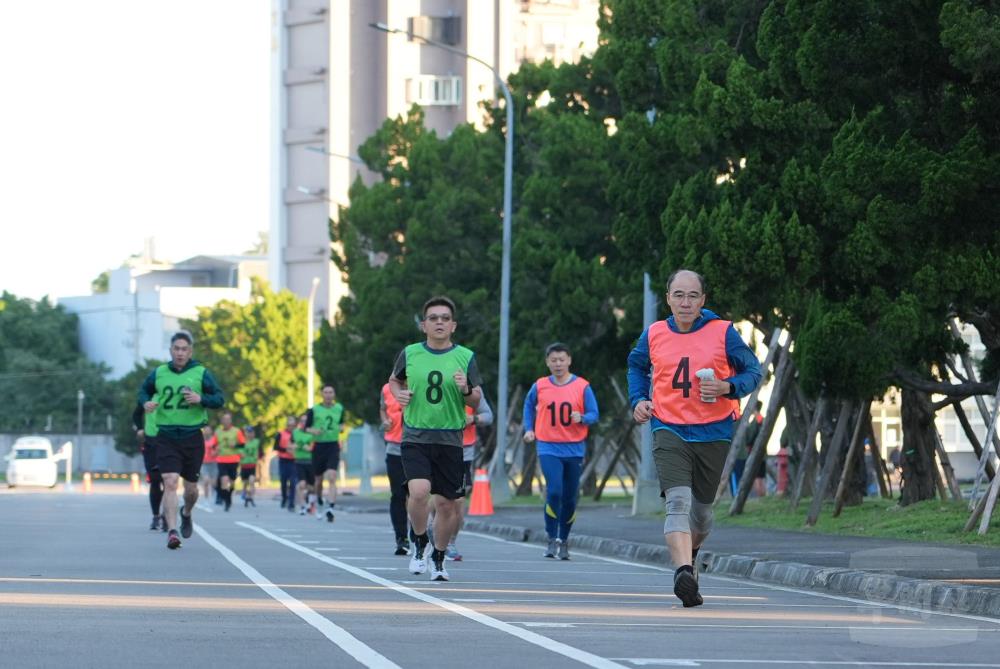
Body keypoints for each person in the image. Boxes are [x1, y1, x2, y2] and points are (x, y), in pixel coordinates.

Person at [627, 270, 761, 607]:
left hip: (713, 430)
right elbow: (636, 367)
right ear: (668, 297)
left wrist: (727, 387)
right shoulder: (654, 333)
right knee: (678, 501)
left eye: (692, 296)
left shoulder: (723, 332)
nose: (685, 302)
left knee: (701, 513)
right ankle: (683, 572)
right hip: (668, 426)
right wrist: (639, 400)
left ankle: (693, 552)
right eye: (678, 295)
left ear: (702, 300)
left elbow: (753, 371)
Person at [389, 295, 484, 582]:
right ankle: (419, 542)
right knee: (418, 492)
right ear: (423, 325)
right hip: (416, 435)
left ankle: (439, 557)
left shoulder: (465, 357)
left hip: (450, 439)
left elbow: (477, 400)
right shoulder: (410, 353)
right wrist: (398, 394)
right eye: (433, 318)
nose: (439, 322)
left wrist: (465, 388)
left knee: (446, 505)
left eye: (445, 318)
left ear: (453, 325)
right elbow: (394, 380)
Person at [138, 331, 225, 550]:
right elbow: (143, 391)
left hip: (192, 436)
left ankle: (186, 512)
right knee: (169, 481)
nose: (180, 353)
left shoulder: (200, 372)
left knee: (191, 489)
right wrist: (145, 402)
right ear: (170, 350)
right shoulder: (159, 372)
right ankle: (172, 531)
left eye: (184, 349)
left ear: (190, 351)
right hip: (166, 435)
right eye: (176, 349)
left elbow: (219, 399)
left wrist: (201, 399)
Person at [523, 342, 599, 561]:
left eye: (561, 360)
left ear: (569, 361)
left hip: (574, 448)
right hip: (548, 446)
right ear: (547, 362)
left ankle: (563, 540)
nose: (558, 364)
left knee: (570, 498)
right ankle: (550, 536)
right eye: (553, 360)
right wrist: (529, 429)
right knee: (554, 491)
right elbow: (528, 406)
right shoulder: (540, 385)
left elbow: (594, 413)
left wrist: (583, 418)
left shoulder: (582, 386)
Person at [446, 395, 494, 561]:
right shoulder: (433, 380)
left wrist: (473, 419)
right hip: (436, 446)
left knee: (458, 501)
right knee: (437, 498)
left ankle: (450, 542)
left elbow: (488, 416)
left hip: (463, 451)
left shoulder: (472, 390)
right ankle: (430, 527)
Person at [306, 384, 344, 523]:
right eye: (326, 392)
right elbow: (307, 428)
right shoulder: (314, 410)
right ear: (322, 394)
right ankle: (320, 503)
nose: (328, 395)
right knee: (318, 481)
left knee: (332, 476)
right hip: (318, 447)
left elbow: (341, 424)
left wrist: (341, 428)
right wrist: (313, 431)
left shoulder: (339, 408)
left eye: (331, 392)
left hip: (333, 445)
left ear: (334, 394)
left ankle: (331, 507)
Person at [380, 382, 410, 556]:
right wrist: (385, 420)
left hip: (419, 445)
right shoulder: (386, 389)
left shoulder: (422, 382)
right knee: (398, 494)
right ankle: (401, 538)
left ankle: (421, 534)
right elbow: (382, 408)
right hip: (394, 446)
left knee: (418, 494)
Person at [133, 401, 165, 532]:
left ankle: (167, 515)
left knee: (169, 480)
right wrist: (140, 428)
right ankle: (156, 516)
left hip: (169, 440)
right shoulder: (148, 394)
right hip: (151, 442)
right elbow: (136, 414)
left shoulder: (172, 392)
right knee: (155, 481)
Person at [214, 411, 245, 512]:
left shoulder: (236, 431)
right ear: (222, 421)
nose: (226, 421)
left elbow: (243, 444)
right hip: (221, 459)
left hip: (233, 459)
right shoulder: (218, 432)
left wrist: (235, 446)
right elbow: (214, 445)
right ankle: (226, 501)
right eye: (224, 419)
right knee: (224, 481)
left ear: (230, 421)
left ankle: (229, 497)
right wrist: (216, 449)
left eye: (228, 419)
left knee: (232, 482)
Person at [291, 414, 316, 515]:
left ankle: (311, 504)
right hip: (299, 461)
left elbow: (313, 447)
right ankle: (302, 506)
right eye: (301, 421)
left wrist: (306, 447)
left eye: (305, 421)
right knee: (301, 485)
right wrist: (294, 446)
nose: (303, 423)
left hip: (311, 462)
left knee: (312, 487)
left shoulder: (313, 433)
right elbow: (290, 445)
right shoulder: (295, 432)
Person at [274, 416, 298, 511]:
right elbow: (275, 447)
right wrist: (286, 450)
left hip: (294, 461)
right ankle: (284, 498)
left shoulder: (297, 434)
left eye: (293, 425)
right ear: (287, 425)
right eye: (289, 425)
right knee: (283, 481)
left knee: (293, 482)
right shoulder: (281, 434)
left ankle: (291, 502)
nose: (291, 427)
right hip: (283, 460)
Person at [240, 425, 261, 507]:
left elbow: (259, 452)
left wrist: (257, 457)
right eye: (248, 433)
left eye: (251, 432)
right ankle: (244, 492)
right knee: (245, 483)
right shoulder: (242, 442)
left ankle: (251, 497)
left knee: (252, 481)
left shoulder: (256, 441)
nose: (250, 434)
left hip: (252, 465)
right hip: (244, 465)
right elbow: (240, 452)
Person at [200, 425, 218, 505]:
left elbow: (218, 449)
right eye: (205, 430)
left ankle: (214, 494)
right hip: (204, 464)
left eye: (208, 430)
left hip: (213, 463)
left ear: (211, 431)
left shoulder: (214, 440)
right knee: (206, 480)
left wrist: (215, 452)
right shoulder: (200, 440)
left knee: (214, 482)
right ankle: (206, 499)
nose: (207, 432)